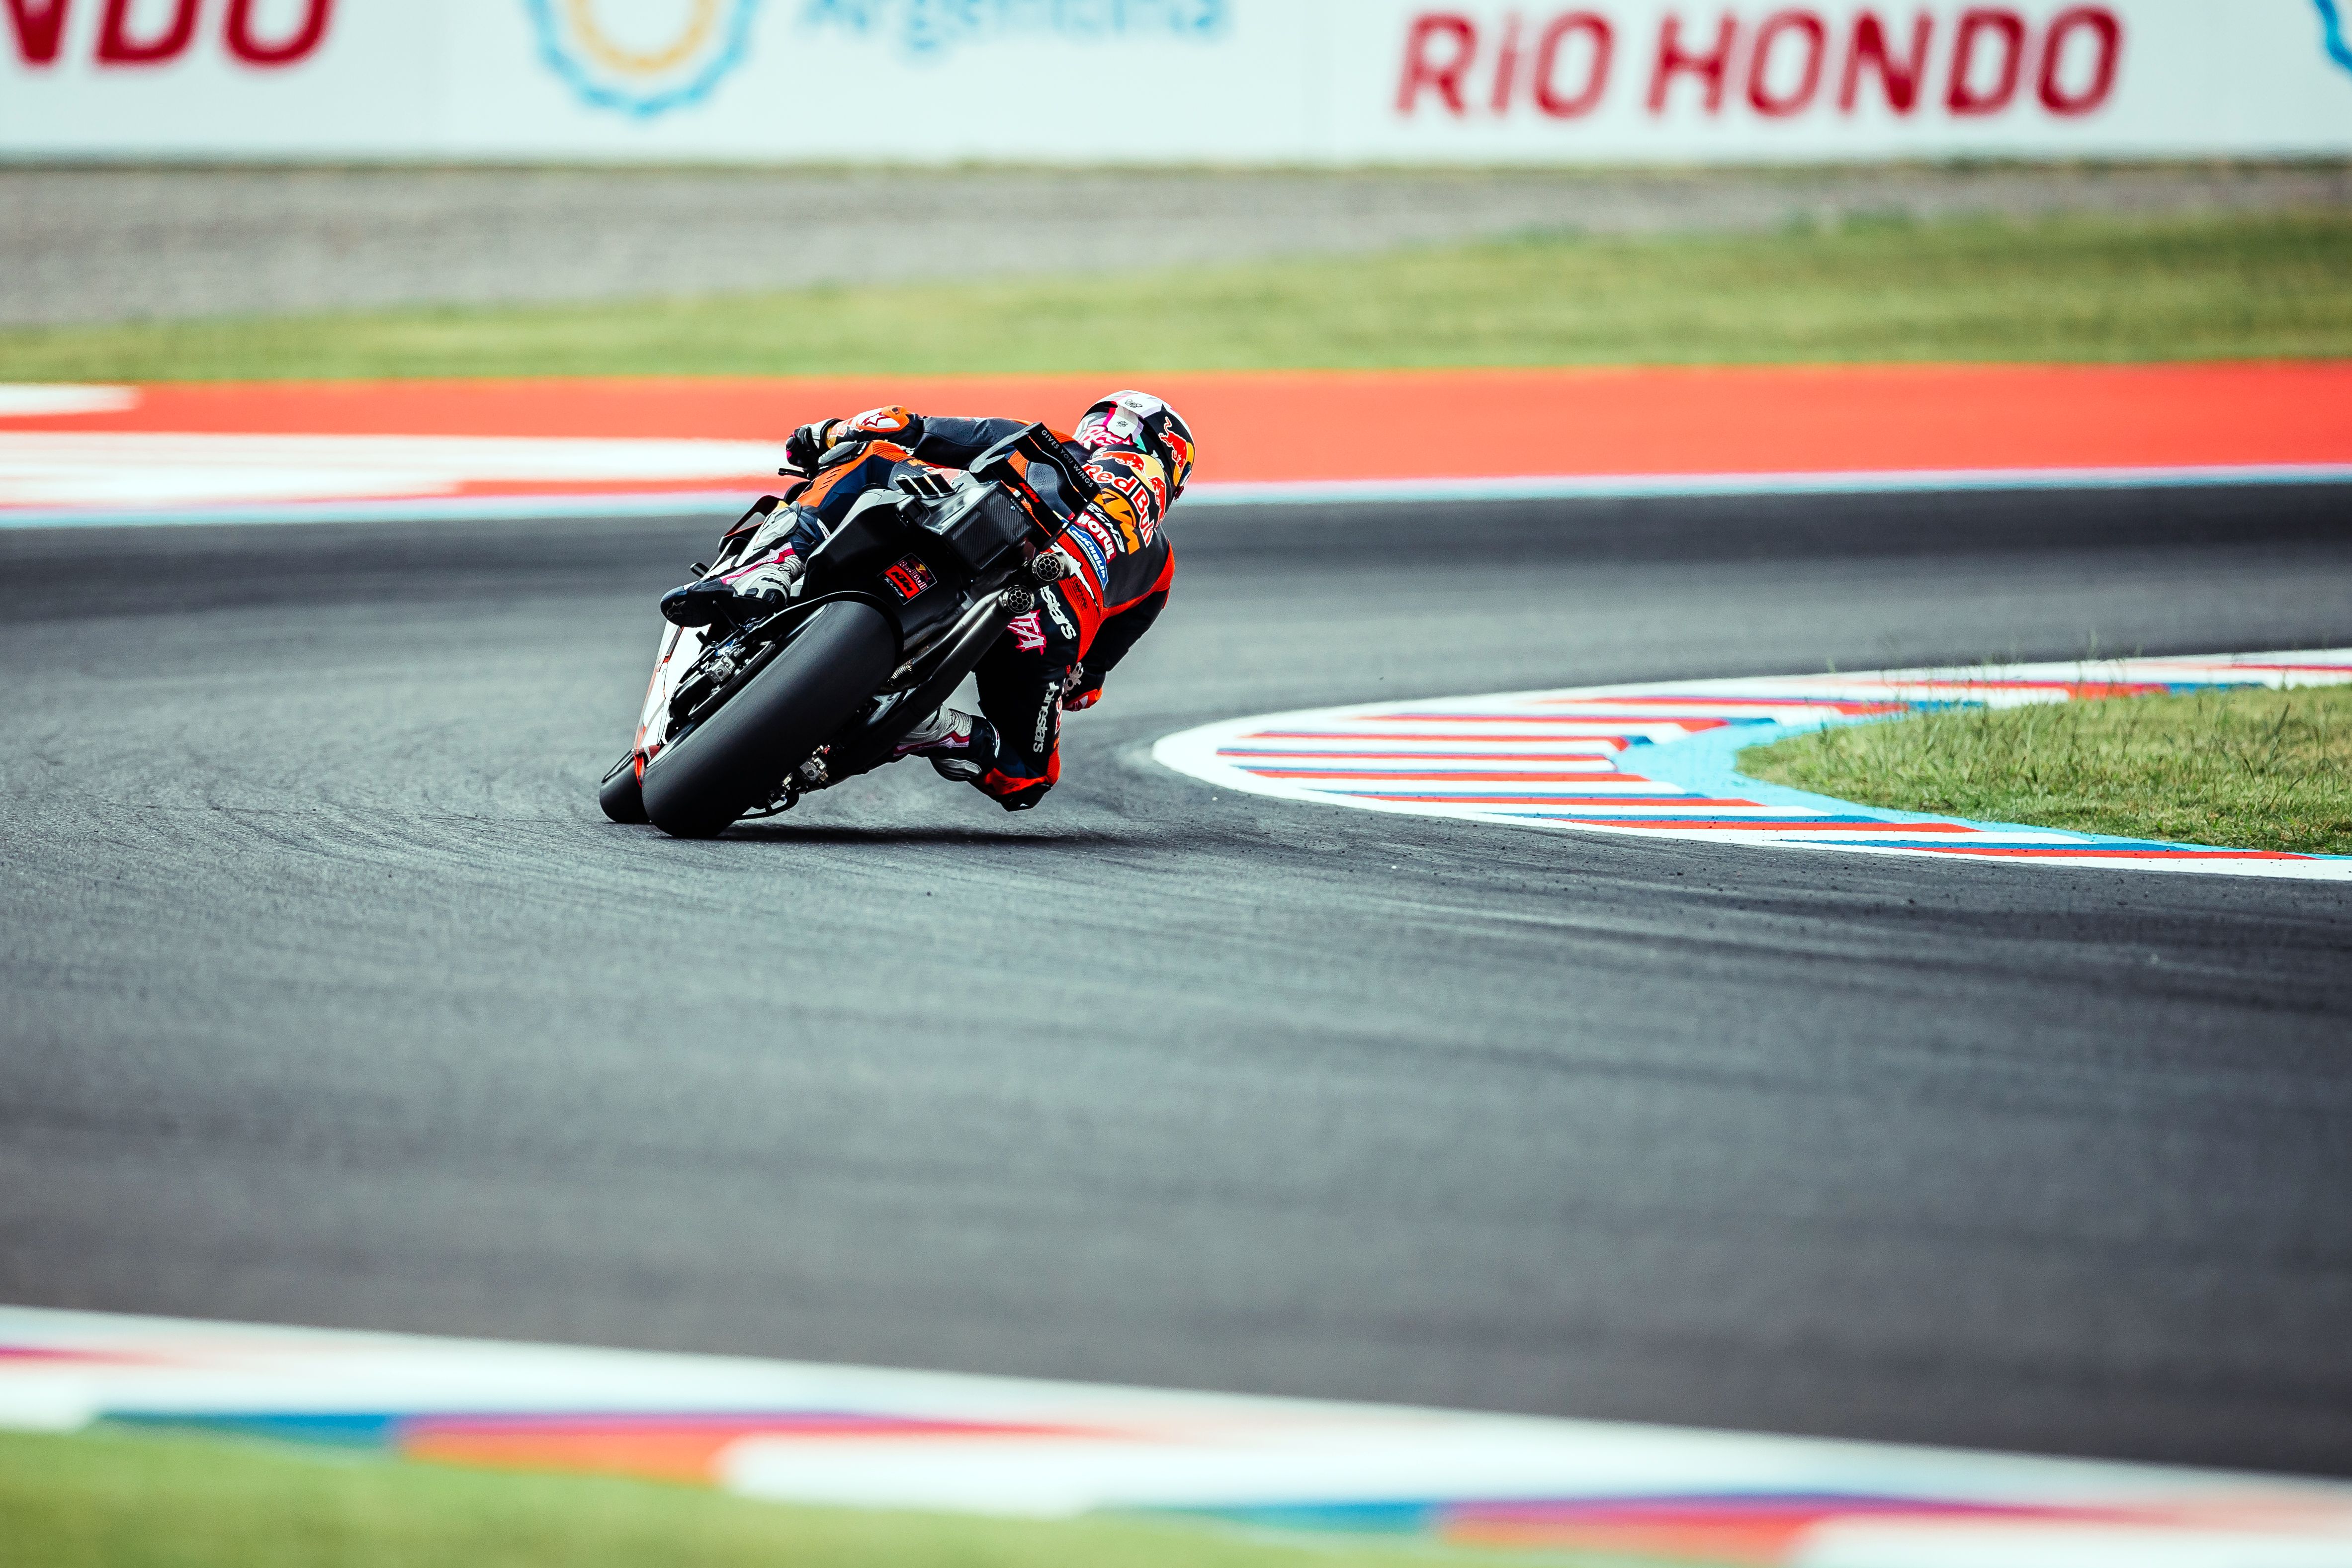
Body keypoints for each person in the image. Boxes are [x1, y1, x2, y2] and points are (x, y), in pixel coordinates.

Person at [662, 391, 1194, 812]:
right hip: (1040, 623)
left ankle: (772, 567)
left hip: (955, 524)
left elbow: (905, 426)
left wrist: (824, 435)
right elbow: (1086, 687)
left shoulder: (1043, 441)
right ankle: (935, 728)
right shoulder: (1160, 566)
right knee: (1025, 777)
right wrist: (1072, 683)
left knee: (869, 458)